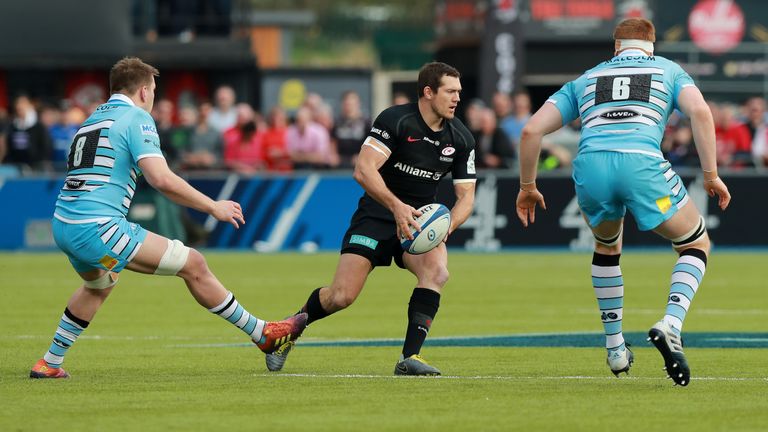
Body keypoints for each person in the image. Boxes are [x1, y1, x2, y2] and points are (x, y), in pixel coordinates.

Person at [29, 57, 306, 379]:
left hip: (64, 223)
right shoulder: (135, 118)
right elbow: (160, 179)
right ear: (144, 91)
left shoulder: (91, 120)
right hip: (98, 226)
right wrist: (212, 206)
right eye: (155, 90)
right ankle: (264, 336)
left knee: (99, 285)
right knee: (194, 264)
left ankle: (49, 362)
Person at [515, 19, 730, 386]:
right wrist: (710, 176)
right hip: (640, 162)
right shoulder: (667, 69)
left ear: (615, 47)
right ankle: (671, 324)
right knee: (695, 243)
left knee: (607, 246)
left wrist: (527, 185)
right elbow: (701, 113)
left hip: (592, 167)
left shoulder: (587, 77)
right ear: (652, 46)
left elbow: (532, 130)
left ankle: (615, 350)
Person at [264, 62, 476, 376]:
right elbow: (363, 170)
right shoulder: (396, 120)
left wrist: (447, 228)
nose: (457, 98)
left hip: (418, 222)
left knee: (437, 273)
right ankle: (292, 327)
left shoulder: (461, 137)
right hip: (376, 214)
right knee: (342, 296)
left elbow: (466, 197)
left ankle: (410, 358)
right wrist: (396, 206)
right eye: (450, 91)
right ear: (428, 92)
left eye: (459, 91)